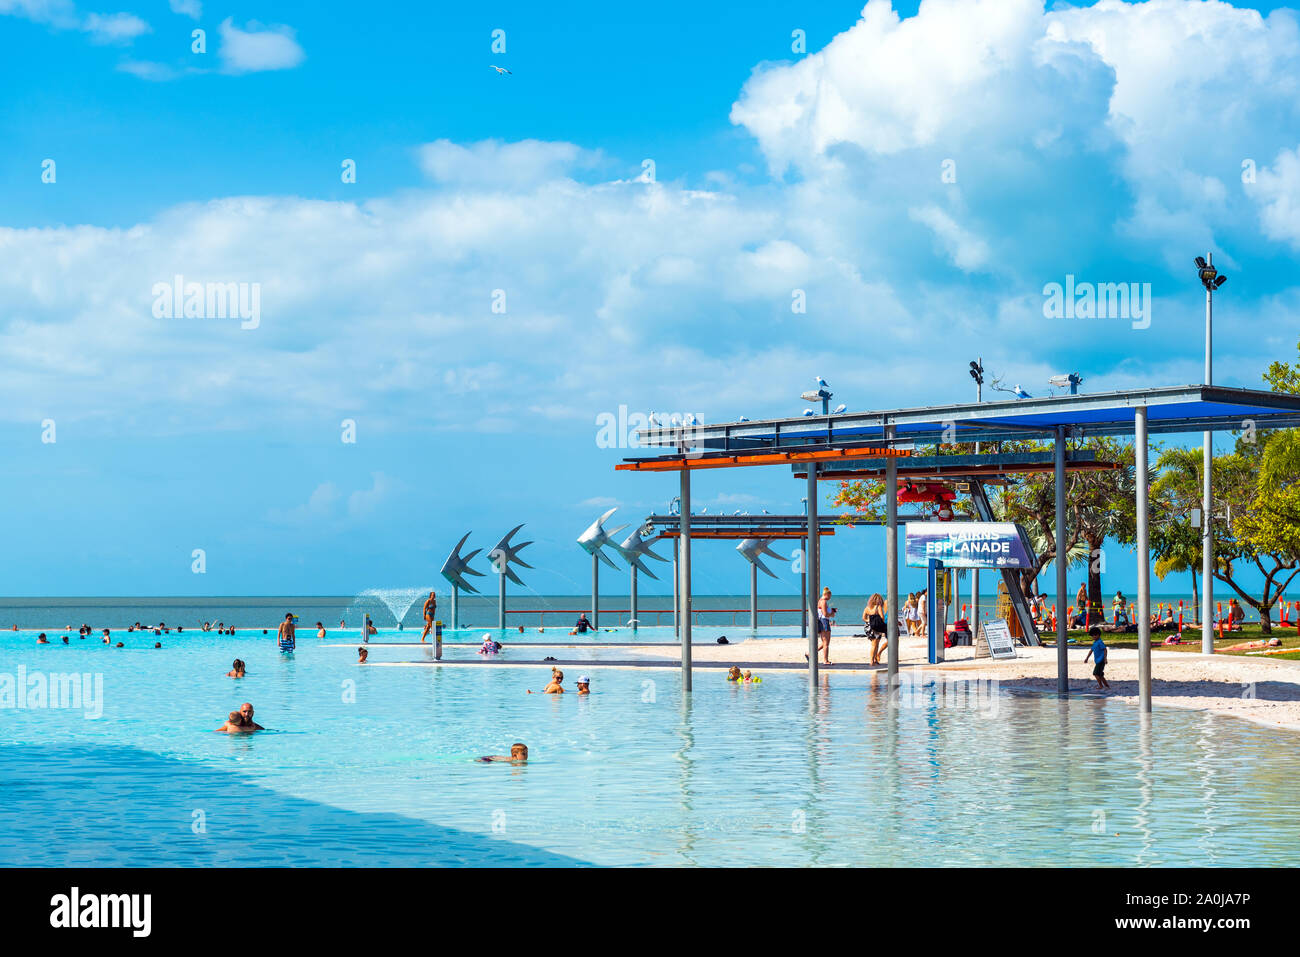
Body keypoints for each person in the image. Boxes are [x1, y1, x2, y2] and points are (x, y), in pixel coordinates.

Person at [863, 592, 889, 666]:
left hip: (869, 628)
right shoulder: (878, 607)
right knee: (875, 644)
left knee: (874, 644)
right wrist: (880, 623)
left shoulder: (867, 608)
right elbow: (882, 617)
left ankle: (874, 659)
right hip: (877, 627)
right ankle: (872, 660)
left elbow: (864, 618)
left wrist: (870, 621)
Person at [816, 587, 834, 665]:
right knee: (826, 642)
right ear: (826, 594)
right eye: (830, 596)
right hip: (823, 621)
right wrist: (831, 614)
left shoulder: (822, 601)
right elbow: (825, 614)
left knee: (825, 642)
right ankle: (825, 660)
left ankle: (811, 653)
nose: (830, 598)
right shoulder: (823, 602)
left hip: (824, 621)